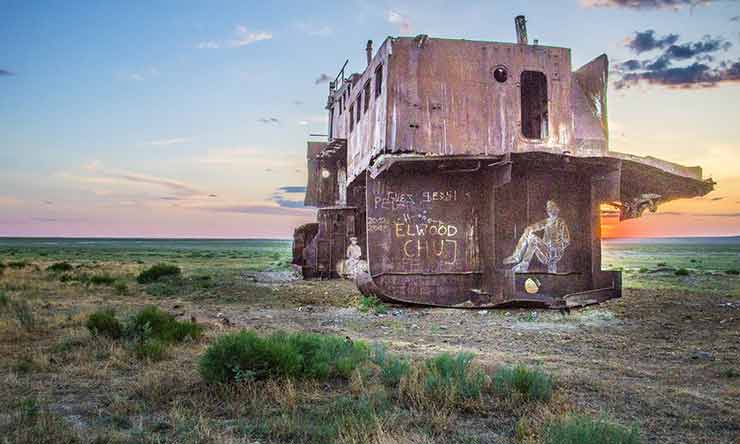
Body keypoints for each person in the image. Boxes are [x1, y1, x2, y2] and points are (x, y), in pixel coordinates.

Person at [503, 200, 570, 273]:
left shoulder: (560, 222)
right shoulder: (547, 221)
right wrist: (529, 229)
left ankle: (522, 263)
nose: (549, 209)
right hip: (544, 251)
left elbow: (567, 241)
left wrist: (556, 245)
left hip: (554, 253)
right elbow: (537, 225)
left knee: (533, 240)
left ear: (557, 209)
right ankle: (518, 258)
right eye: (548, 207)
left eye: (551, 207)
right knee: (530, 235)